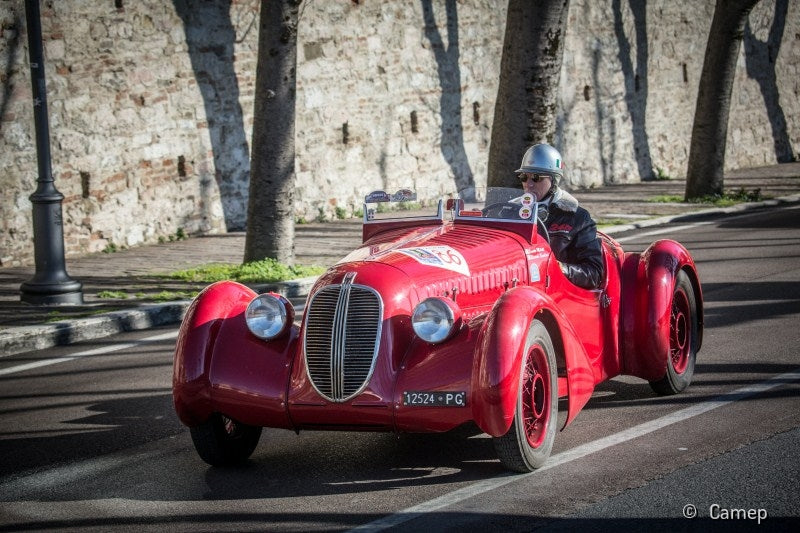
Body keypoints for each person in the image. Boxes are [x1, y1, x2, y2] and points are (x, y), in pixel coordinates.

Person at [515, 143, 605, 290]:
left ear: (553, 181)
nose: (528, 184)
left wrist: (559, 268)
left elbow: (594, 273)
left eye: (536, 178)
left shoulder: (577, 218)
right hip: (518, 286)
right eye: (524, 177)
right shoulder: (510, 210)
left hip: (558, 294)